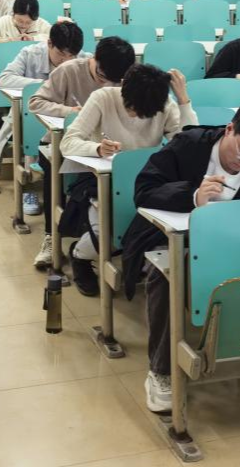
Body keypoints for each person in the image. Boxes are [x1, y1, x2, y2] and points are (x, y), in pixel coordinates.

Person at [118, 101, 240, 412]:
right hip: (168, 238)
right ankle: (161, 370)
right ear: (230, 129)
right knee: (166, 274)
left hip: (228, 244)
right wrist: (192, 196)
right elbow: (145, 189)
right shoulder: (189, 146)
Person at [59, 64, 197, 295]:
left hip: (148, 182)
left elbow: (189, 145)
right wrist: (97, 148)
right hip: (104, 180)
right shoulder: (103, 98)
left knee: (157, 228)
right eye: (131, 108)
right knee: (105, 234)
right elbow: (68, 143)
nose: (134, 116)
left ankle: (137, 261)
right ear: (122, 86)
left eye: (143, 113)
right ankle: (79, 255)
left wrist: (183, 100)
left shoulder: (162, 103)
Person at [29, 36, 137, 269]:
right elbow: (36, 102)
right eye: (102, 77)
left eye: (114, 81)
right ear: (94, 58)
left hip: (108, 148)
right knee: (53, 168)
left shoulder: (126, 77)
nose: (107, 84)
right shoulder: (69, 70)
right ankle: (51, 237)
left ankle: (107, 239)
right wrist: (69, 111)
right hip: (64, 144)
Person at [0, 19, 88, 217]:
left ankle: (73, 195)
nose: (66, 61)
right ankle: (30, 188)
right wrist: (45, 84)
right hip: (34, 115)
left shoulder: (83, 60)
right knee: (34, 134)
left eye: (71, 56)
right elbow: (4, 80)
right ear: (49, 43)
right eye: (61, 54)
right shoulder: (31, 53)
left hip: (66, 117)